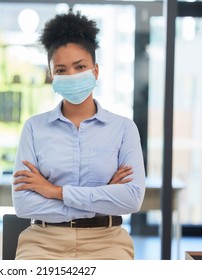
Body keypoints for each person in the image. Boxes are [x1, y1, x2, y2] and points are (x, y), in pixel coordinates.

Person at [12, 10, 146, 260]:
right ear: (52, 76)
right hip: (42, 243)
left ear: (95, 71)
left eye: (80, 66)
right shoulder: (34, 128)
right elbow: (25, 204)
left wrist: (54, 191)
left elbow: (131, 200)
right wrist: (102, 198)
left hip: (107, 243)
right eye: (61, 70)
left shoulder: (123, 129)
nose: (71, 75)